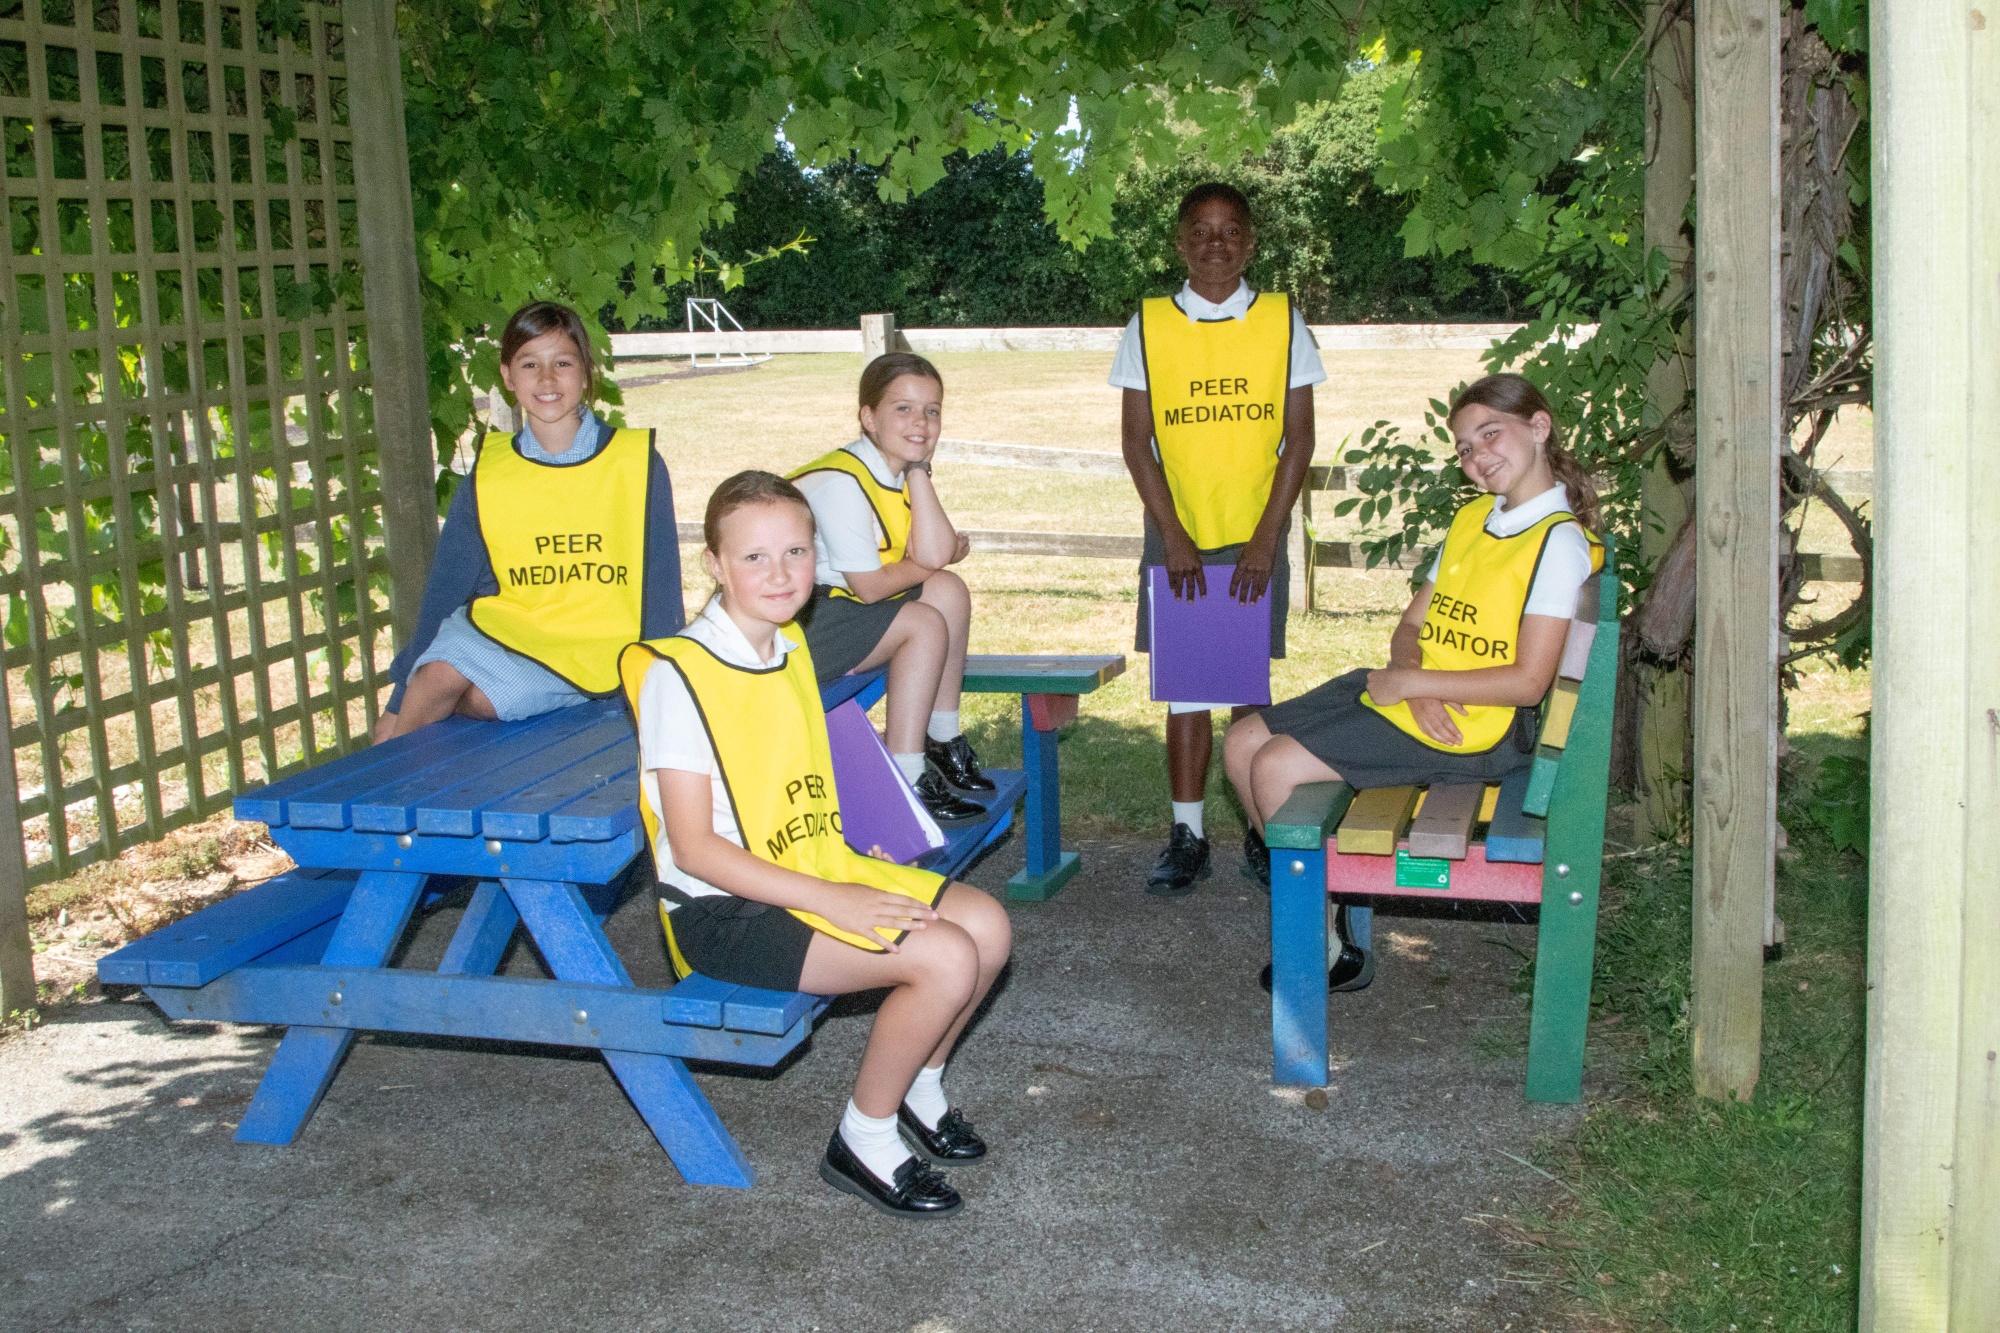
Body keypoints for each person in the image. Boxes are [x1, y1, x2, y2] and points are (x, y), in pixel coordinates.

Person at [620, 471, 1012, 1219]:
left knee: (988, 927)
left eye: (796, 552)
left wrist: (864, 851)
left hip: (810, 867)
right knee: (945, 957)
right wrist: (838, 897)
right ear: (714, 563)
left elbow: (800, 772)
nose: (780, 574)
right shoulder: (680, 674)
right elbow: (695, 848)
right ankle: (863, 1139)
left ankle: (919, 1088)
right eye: (754, 556)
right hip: (724, 912)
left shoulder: (788, 645)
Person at [1223, 373, 1604, 991]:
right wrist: (1415, 680)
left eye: (1490, 434)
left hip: (1479, 727)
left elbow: (1529, 683)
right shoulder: (1474, 518)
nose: (1477, 457)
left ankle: (1315, 940)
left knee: (1274, 767)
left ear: (1539, 427)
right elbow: (1411, 624)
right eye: (1464, 448)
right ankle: (1321, 898)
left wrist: (1419, 686)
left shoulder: (1556, 544)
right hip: (1420, 693)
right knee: (1242, 740)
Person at [1112, 181, 1326, 895]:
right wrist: (1173, 533)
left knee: (1245, 692)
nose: (1215, 243)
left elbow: (1300, 440)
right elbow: (1136, 442)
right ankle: (1188, 835)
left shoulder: (1282, 320)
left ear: (1250, 243)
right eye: (1200, 231)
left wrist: (1268, 537)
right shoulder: (1148, 324)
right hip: (1180, 535)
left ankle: (1260, 831)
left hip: (1252, 534)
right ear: (1180, 243)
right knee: (1185, 692)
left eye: (1230, 230)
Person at [376, 301, 681, 739]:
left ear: (586, 371)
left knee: (487, 699)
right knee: (435, 676)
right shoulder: (491, 473)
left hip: (590, 642)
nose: (547, 379)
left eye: (563, 363)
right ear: (507, 377)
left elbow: (661, 587)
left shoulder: (636, 464)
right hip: (506, 626)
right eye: (530, 364)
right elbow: (447, 585)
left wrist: (660, 686)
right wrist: (396, 702)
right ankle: (395, 770)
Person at [786, 353, 989, 826]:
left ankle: (941, 735)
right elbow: (873, 587)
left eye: (932, 410)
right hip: (791, 627)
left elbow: (933, 555)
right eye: (903, 408)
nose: (921, 422)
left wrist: (919, 471)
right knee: (923, 623)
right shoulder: (842, 481)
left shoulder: (894, 470)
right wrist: (929, 560)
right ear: (868, 417)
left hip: (836, 610)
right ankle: (906, 774)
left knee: (948, 590)